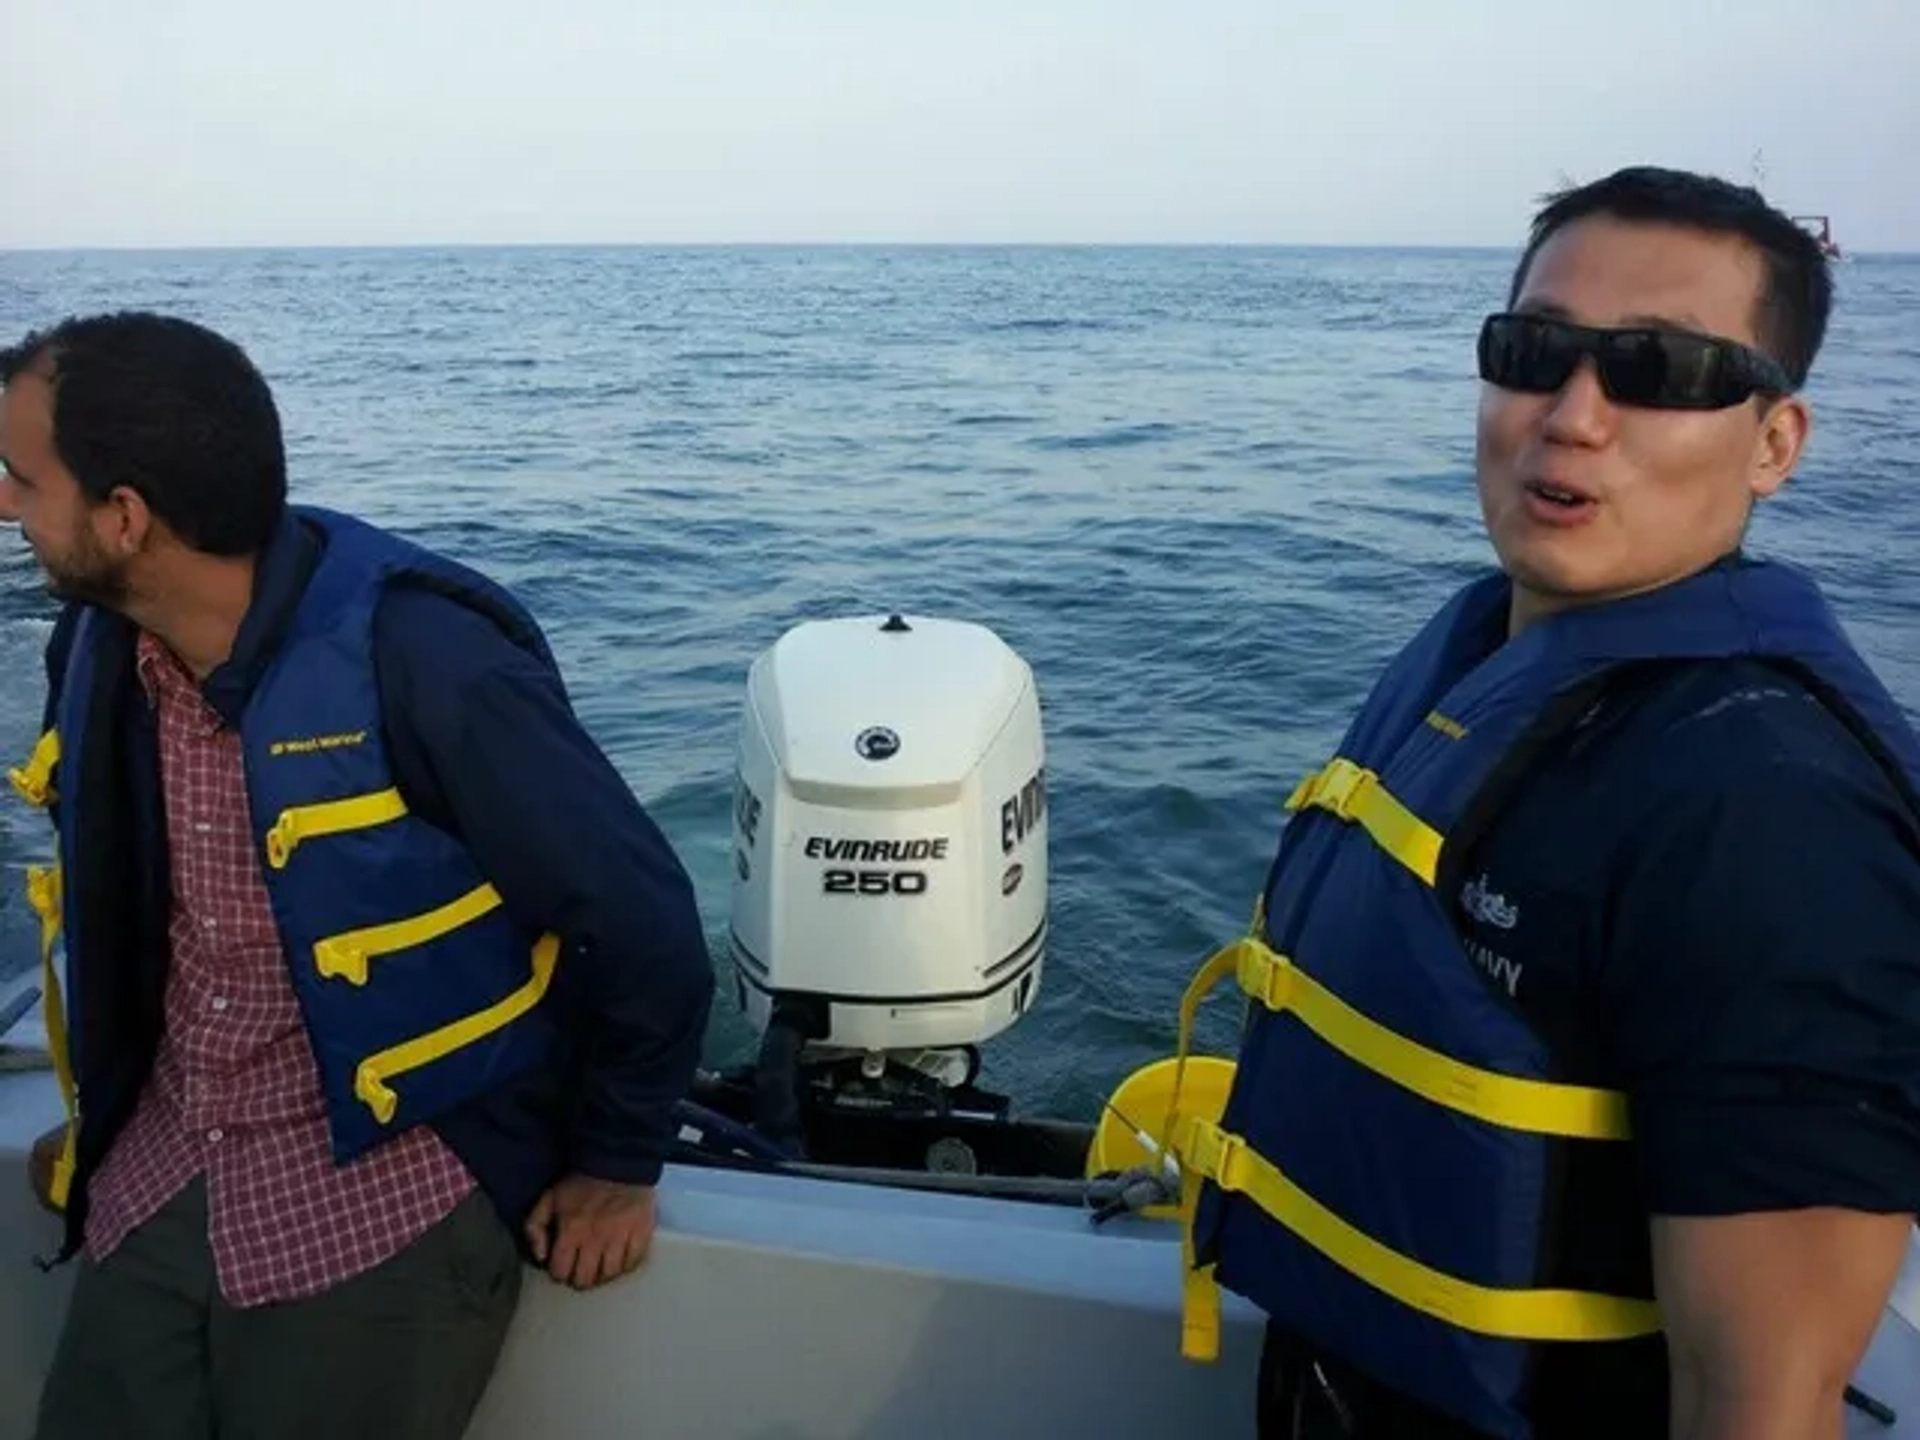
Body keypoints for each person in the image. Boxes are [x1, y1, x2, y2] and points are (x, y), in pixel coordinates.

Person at [1164, 165, 1920, 1438]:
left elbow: (1760, 1404)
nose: (1572, 415)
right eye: (1534, 351)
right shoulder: (1493, 666)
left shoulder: (1768, 813)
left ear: (1776, 441)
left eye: (1661, 372)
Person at [0, 311, 717, 1440]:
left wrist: (619, 1165)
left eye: (23, 479)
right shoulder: (96, 648)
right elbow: (139, 911)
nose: (5, 505)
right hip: (163, 1165)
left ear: (125, 516)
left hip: (390, 1193)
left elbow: (645, 926)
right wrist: (109, 1114)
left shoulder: (427, 659)